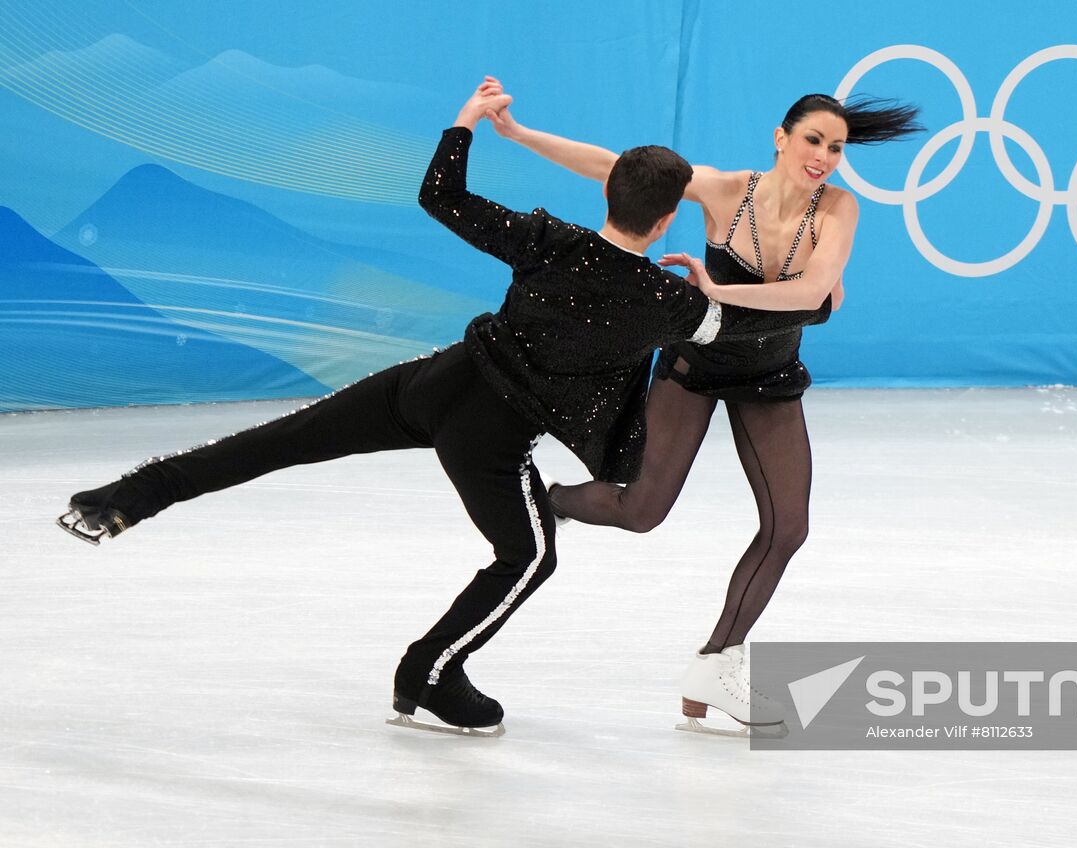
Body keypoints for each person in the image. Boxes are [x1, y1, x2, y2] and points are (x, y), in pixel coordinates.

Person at [57, 79, 831, 736]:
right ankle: (428, 672)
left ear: (608, 192)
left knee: (279, 439)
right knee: (528, 556)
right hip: (489, 440)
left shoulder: (543, 236)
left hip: (428, 385)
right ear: (667, 223)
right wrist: (793, 299)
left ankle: (122, 499)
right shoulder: (668, 300)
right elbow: (759, 322)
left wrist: (467, 121)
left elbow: (439, 194)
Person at [488, 82, 920, 731]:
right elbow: (616, 168)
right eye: (813, 140)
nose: (825, 156)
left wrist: (717, 292)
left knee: (788, 527)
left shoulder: (838, 209)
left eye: (836, 146)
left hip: (769, 375)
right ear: (782, 137)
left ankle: (716, 665)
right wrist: (519, 135)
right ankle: (549, 501)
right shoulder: (725, 190)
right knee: (641, 510)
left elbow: (817, 289)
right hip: (693, 368)